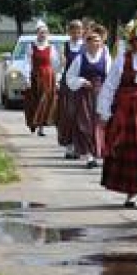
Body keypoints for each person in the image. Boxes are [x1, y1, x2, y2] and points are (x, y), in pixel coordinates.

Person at [97, 16, 137, 209]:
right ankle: (130, 193)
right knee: (128, 152)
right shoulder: (122, 60)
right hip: (126, 114)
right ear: (133, 41)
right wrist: (104, 110)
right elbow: (109, 85)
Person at [64, 24, 111, 169]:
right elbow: (69, 77)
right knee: (85, 125)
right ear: (87, 43)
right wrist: (82, 81)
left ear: (101, 42)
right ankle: (89, 156)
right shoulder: (80, 59)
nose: (94, 43)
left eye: (97, 40)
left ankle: (97, 152)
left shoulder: (106, 57)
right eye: (91, 40)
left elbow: (111, 77)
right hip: (84, 96)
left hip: (101, 95)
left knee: (98, 124)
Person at [24, 21, 60, 137]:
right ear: (37, 33)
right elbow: (27, 63)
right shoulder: (31, 46)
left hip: (48, 77)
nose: (43, 35)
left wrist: (57, 79)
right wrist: (27, 79)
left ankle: (41, 127)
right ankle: (34, 123)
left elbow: (55, 64)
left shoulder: (51, 47)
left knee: (44, 101)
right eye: (41, 32)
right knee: (35, 101)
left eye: (45, 33)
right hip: (35, 76)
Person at [57, 19, 86, 158]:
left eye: (78, 30)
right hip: (67, 85)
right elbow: (61, 65)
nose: (76, 33)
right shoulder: (65, 46)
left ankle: (79, 146)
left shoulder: (86, 47)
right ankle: (69, 146)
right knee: (68, 115)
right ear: (69, 32)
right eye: (73, 30)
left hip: (81, 85)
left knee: (80, 116)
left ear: (82, 31)